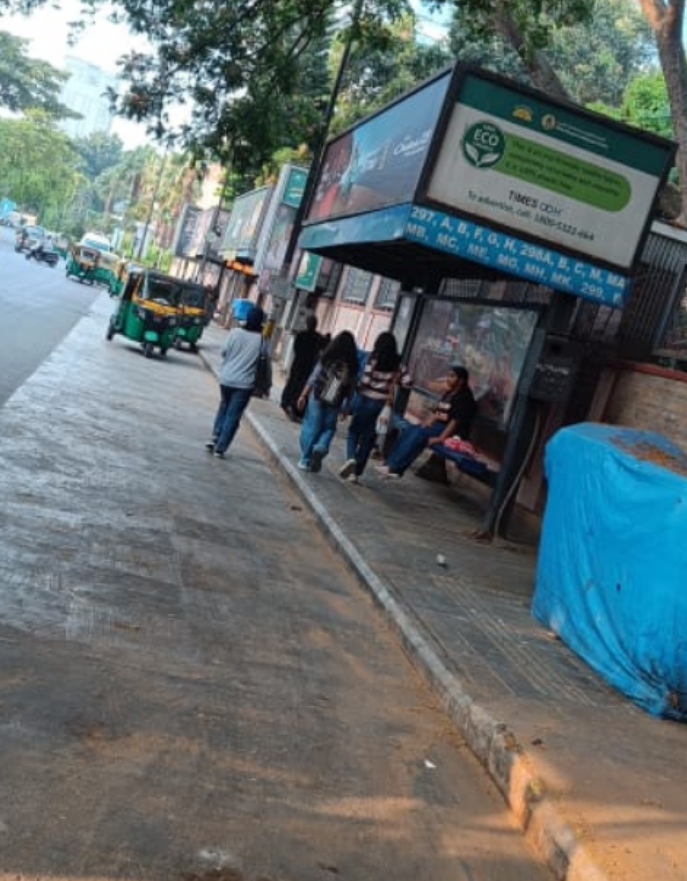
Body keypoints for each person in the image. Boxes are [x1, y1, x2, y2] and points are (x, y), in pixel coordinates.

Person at [375, 365, 477, 480]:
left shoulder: (464, 398)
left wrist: (440, 438)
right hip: (438, 426)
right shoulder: (450, 393)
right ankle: (389, 464)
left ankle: (395, 468)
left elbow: (455, 422)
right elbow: (438, 412)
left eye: (452, 376)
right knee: (411, 430)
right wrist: (426, 423)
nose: (448, 379)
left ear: (461, 380)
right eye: (448, 375)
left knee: (419, 435)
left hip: (450, 432)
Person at [339, 332, 403, 485]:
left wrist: (357, 391)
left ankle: (351, 459)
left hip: (364, 400)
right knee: (369, 438)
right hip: (380, 406)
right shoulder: (397, 365)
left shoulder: (371, 359)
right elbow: (408, 381)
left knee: (354, 431)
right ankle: (356, 473)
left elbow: (365, 381)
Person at [205, 304, 265, 459]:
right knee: (233, 415)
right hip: (244, 384)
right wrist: (266, 385)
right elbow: (264, 364)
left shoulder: (235, 332)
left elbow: (224, 352)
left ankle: (214, 437)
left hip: (226, 379)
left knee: (224, 406)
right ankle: (221, 447)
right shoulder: (262, 341)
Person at [297, 331, 359, 473]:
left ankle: (305, 460)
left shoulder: (326, 357)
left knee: (312, 426)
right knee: (329, 428)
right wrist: (346, 408)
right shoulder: (353, 365)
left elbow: (314, 377)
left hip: (318, 395)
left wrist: (303, 395)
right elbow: (351, 389)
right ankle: (321, 446)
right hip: (336, 400)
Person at [280, 315, 323, 421]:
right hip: (309, 366)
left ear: (307, 324)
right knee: (303, 386)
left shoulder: (301, 335)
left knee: (293, 384)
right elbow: (321, 350)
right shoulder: (318, 338)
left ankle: (288, 404)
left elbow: (296, 349)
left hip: (298, 364)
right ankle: (298, 409)